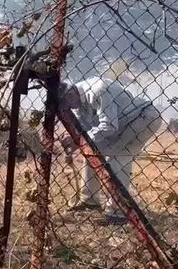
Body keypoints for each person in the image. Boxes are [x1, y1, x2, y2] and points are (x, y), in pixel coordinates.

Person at [59, 77, 163, 224]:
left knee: (118, 158)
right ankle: (90, 201)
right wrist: (77, 142)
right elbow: (88, 132)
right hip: (123, 123)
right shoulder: (77, 102)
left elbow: (109, 126)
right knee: (91, 150)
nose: (70, 108)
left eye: (67, 104)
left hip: (143, 117)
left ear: (69, 95)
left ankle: (117, 212)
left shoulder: (98, 89)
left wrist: (79, 139)